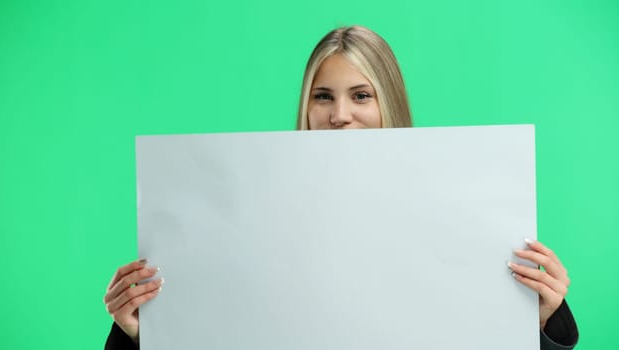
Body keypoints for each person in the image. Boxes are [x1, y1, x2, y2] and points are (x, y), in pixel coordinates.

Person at [104, 25, 578, 349]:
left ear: (388, 101)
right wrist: (138, 332)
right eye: (323, 96)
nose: (339, 116)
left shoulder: (462, 213)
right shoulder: (245, 219)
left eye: (361, 96)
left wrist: (539, 320)